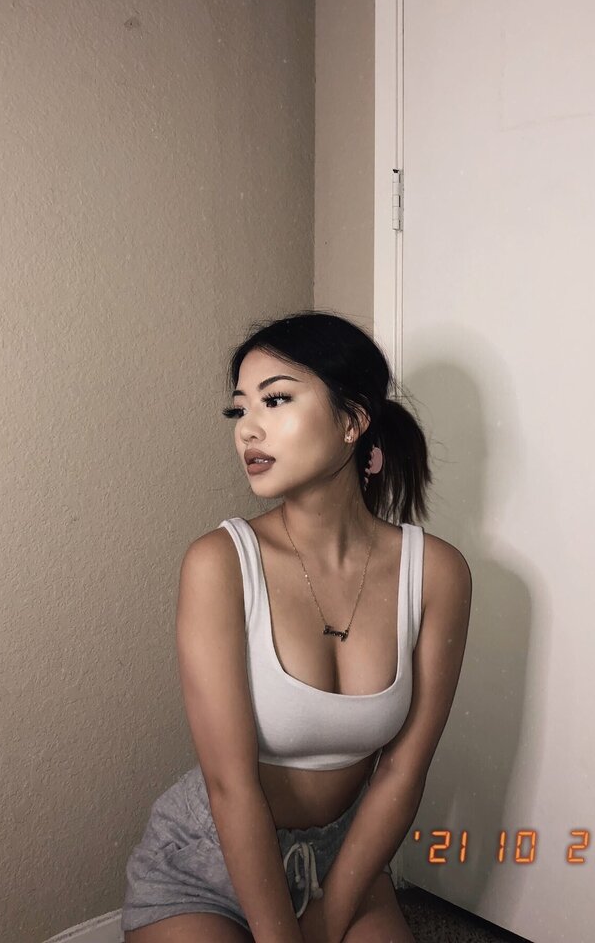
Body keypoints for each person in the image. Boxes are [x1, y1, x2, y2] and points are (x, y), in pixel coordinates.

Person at [121, 311, 472, 942]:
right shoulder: (219, 563)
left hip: (345, 859)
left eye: (276, 399)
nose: (247, 429)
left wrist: (331, 916)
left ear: (352, 420)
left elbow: (403, 770)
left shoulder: (437, 573)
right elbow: (230, 785)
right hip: (209, 858)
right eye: (239, 409)